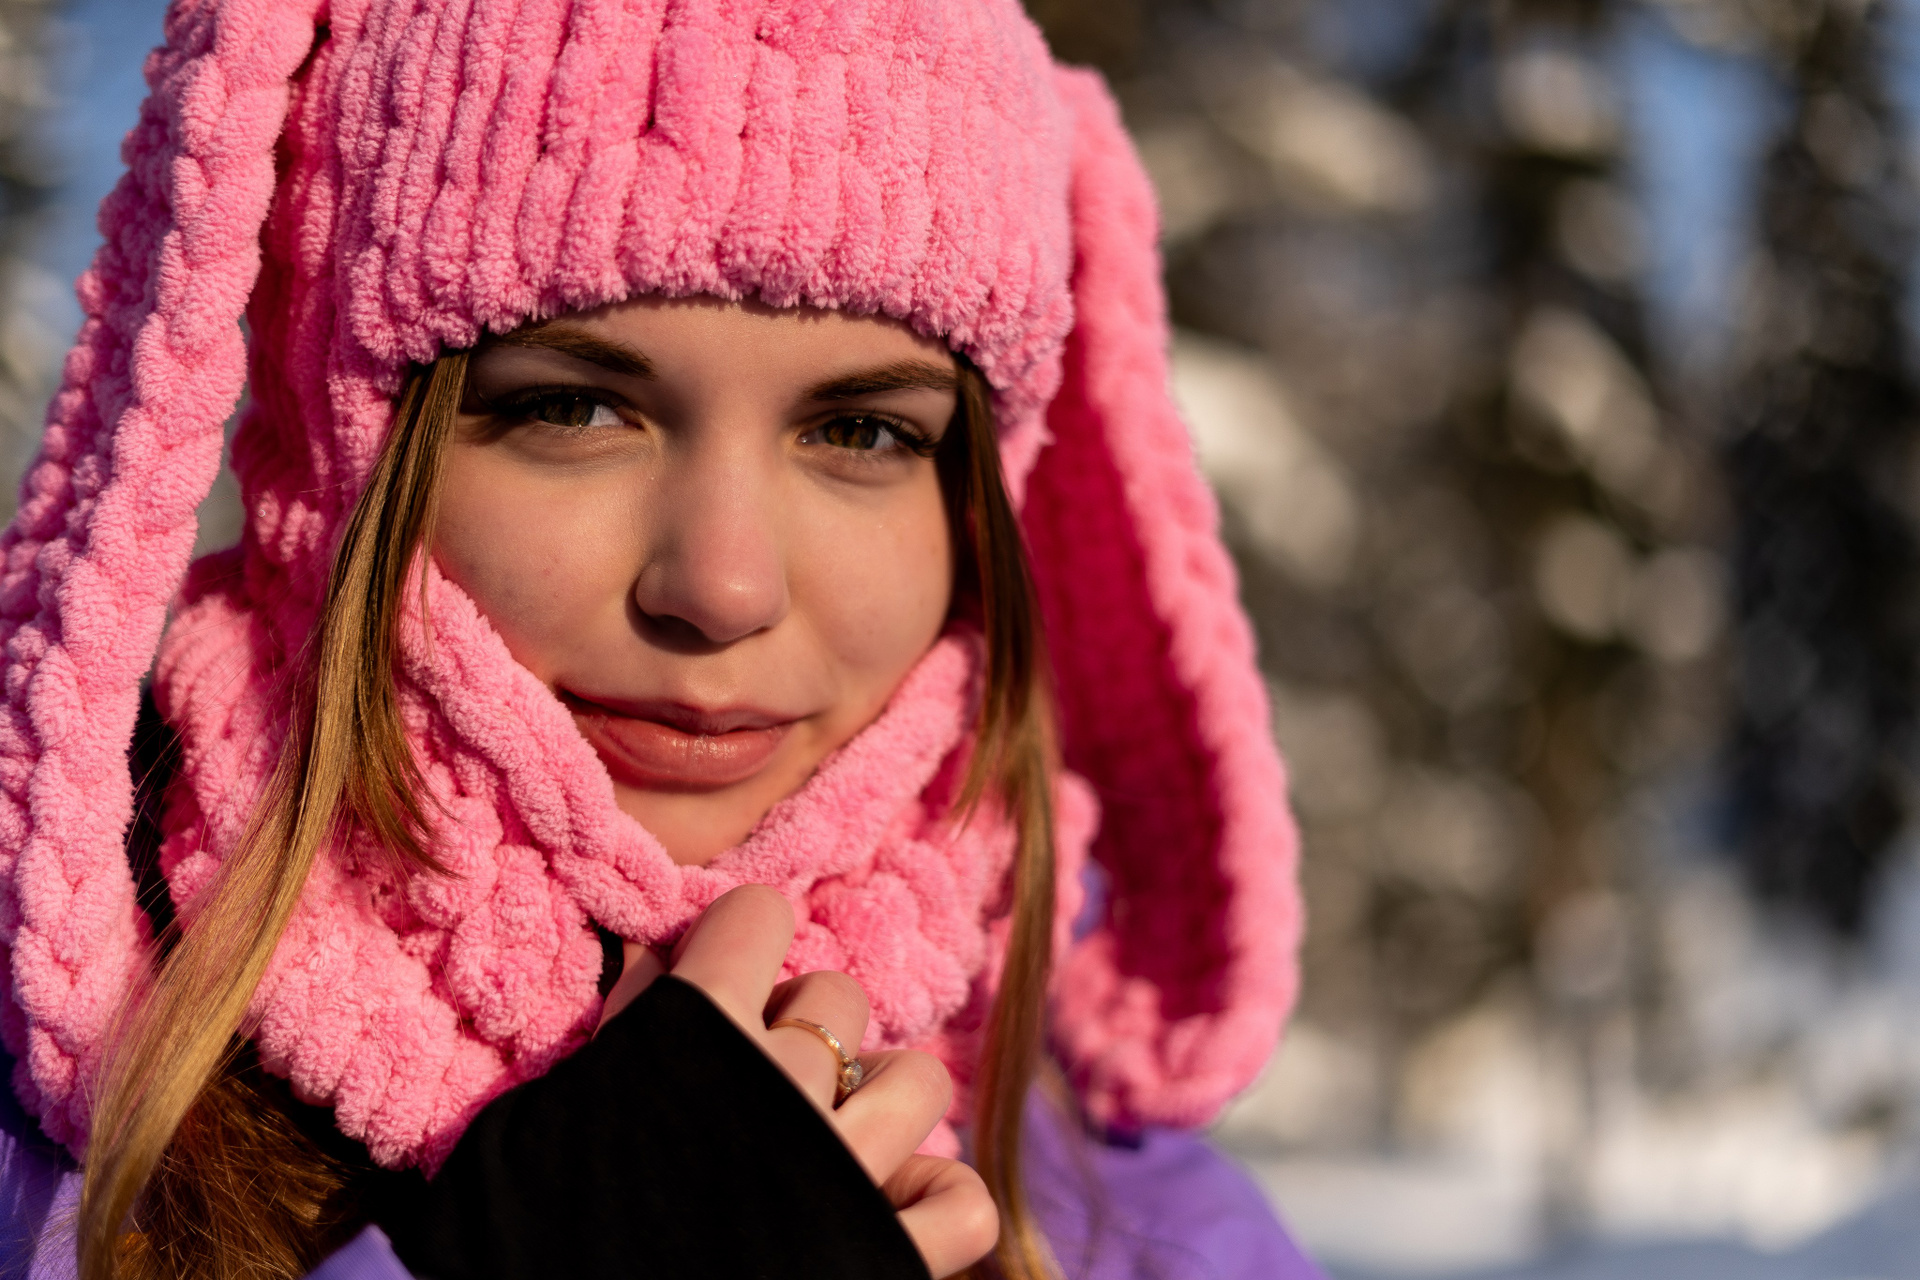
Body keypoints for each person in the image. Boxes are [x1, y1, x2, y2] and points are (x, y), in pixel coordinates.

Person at [0, 1, 1317, 1277]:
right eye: (572, 408)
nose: (724, 587)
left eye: (862, 432)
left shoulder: (1153, 1229)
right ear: (338, 442)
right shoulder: (39, 1151)